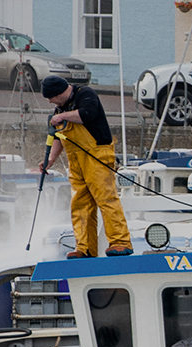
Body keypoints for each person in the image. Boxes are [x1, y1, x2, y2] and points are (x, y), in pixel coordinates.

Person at [41, 75, 132, 259]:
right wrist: (51, 159)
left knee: (105, 198)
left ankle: (120, 242)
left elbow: (86, 114)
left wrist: (62, 116)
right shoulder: (61, 107)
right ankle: (85, 248)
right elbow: (58, 135)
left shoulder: (85, 94)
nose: (50, 101)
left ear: (59, 92)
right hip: (75, 160)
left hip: (96, 155)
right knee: (80, 204)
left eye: (51, 97)